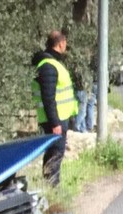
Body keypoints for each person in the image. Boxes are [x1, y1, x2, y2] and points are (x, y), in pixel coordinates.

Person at [31, 30, 78, 185]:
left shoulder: (51, 63)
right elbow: (48, 97)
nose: (66, 46)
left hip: (59, 118)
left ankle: (51, 185)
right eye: (65, 43)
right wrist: (55, 122)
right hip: (55, 120)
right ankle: (52, 187)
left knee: (55, 154)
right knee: (55, 154)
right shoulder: (49, 66)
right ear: (60, 43)